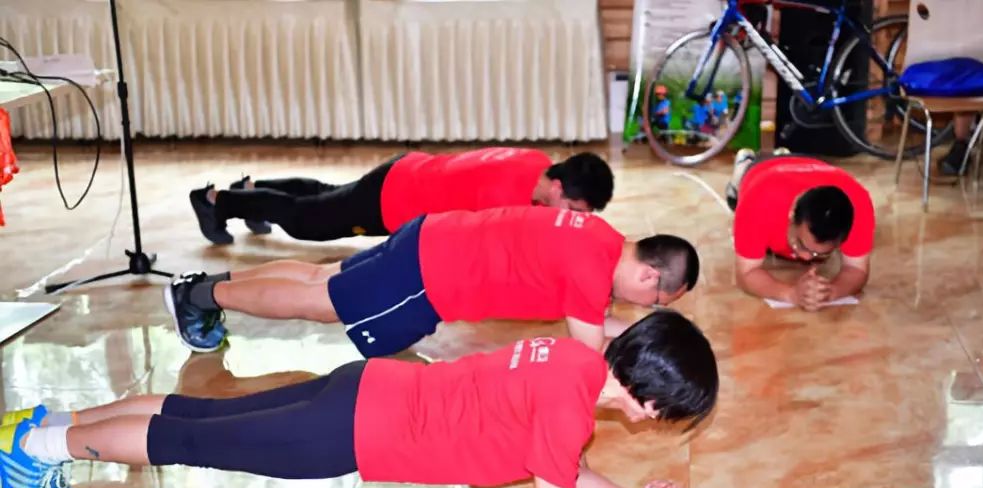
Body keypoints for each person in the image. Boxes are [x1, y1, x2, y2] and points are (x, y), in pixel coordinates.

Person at [0, 312, 719, 488]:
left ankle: (49, 424)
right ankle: (32, 450)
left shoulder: (573, 360)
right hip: (352, 433)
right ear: (652, 401)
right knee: (190, 441)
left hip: (365, 386)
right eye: (671, 410)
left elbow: (561, 466)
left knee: (201, 414)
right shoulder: (570, 409)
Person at [165, 205, 700, 355]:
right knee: (321, 301)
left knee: (318, 276)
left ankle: (206, 285)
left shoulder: (601, 237)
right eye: (655, 301)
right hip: (431, 276)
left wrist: (642, 330)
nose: (645, 307)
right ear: (649, 274)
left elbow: (595, 320)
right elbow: (588, 349)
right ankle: (197, 296)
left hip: (433, 237)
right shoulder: (591, 272)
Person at [188, 148, 615, 245]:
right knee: (307, 222)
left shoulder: (538, 161)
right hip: (393, 200)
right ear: (557, 188)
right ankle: (216, 202)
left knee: (325, 196)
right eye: (574, 210)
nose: (574, 218)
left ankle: (250, 192)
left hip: (408, 170)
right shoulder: (510, 202)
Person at [725, 149, 875, 311]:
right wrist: (790, 294)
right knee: (735, 197)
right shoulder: (758, 201)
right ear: (791, 214)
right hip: (762, 171)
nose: (806, 257)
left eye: (820, 254)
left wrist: (831, 292)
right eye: (801, 244)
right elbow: (745, 274)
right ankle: (745, 163)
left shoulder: (858, 205)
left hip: (818, 165)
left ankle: (783, 153)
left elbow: (857, 269)